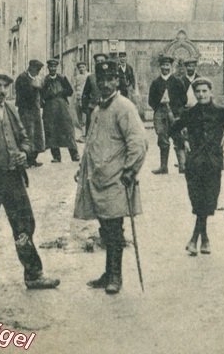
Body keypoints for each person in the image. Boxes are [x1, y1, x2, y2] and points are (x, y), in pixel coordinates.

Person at [0, 68, 60, 294]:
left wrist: (24, 150)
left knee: (24, 225)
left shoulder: (10, 109)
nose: (2, 91)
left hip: (13, 177)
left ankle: (33, 275)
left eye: (5, 86)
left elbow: (25, 138)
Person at [74, 59, 148, 295]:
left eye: (111, 79)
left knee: (114, 228)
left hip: (117, 179)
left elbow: (138, 143)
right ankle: (108, 272)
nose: (106, 84)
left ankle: (116, 276)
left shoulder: (124, 107)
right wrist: (82, 167)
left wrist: (129, 171)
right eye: (102, 80)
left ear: (118, 80)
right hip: (98, 179)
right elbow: (92, 142)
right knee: (105, 227)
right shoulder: (97, 109)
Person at [170, 77, 224, 256]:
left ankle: (197, 238)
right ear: (194, 93)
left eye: (204, 91)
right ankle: (203, 238)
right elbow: (173, 129)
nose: (201, 94)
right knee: (197, 200)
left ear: (210, 92)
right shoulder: (190, 113)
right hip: (194, 163)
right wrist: (183, 141)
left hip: (213, 162)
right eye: (198, 91)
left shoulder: (220, 111)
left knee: (209, 199)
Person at [148, 54, 187, 174]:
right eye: (163, 65)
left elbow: (184, 100)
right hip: (160, 113)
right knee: (162, 137)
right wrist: (159, 105)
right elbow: (151, 101)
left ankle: (183, 166)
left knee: (178, 137)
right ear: (160, 67)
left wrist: (176, 110)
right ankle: (163, 167)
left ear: (171, 66)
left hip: (174, 112)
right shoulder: (155, 83)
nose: (165, 67)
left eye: (168, 65)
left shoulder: (177, 82)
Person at [41, 58, 79, 163]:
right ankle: (56, 156)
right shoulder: (45, 80)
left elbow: (70, 91)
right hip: (49, 109)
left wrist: (61, 92)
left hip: (62, 108)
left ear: (56, 67)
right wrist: (48, 95)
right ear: (48, 68)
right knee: (52, 130)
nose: (53, 69)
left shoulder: (62, 78)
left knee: (68, 129)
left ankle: (74, 154)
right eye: (51, 67)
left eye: (54, 67)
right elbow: (41, 95)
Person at [14, 60, 45, 167]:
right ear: (31, 68)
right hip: (25, 111)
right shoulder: (22, 78)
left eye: (39, 70)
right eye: (37, 69)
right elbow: (21, 95)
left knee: (36, 135)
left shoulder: (36, 79)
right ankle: (25, 160)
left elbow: (42, 92)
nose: (38, 72)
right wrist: (34, 87)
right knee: (27, 134)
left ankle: (32, 159)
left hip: (35, 111)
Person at [81, 53, 107, 134]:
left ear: (105, 62)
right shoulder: (91, 77)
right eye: (97, 61)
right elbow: (85, 94)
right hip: (92, 109)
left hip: (107, 109)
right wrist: (86, 108)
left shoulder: (110, 77)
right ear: (95, 63)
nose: (99, 63)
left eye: (102, 61)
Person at [73, 60, 90, 134]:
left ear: (86, 67)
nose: (81, 69)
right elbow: (75, 87)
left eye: (83, 67)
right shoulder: (77, 77)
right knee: (78, 115)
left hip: (86, 98)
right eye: (80, 67)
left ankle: (85, 133)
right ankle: (81, 132)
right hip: (78, 98)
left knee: (85, 116)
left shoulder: (89, 76)